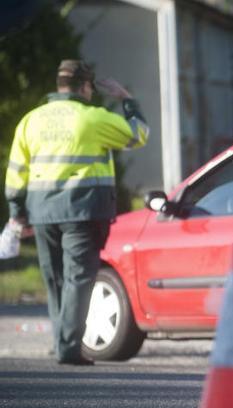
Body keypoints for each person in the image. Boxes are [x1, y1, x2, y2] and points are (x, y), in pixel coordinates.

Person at [4, 60, 149, 365]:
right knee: (79, 278)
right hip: (81, 211)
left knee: (55, 279)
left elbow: (17, 172)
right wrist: (126, 99)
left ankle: (62, 341)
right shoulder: (92, 117)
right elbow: (139, 134)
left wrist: (17, 213)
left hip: (42, 211)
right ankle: (68, 347)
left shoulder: (32, 120)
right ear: (85, 87)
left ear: (59, 85)